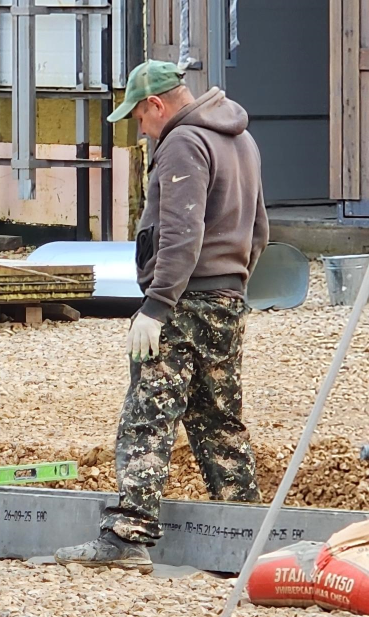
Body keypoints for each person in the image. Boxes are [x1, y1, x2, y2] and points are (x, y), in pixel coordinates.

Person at [54, 60, 269, 572]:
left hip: (183, 301)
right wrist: (233, 286)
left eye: (140, 118)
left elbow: (180, 232)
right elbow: (259, 228)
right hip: (226, 299)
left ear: (156, 104)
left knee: (148, 415)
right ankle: (247, 534)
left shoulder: (182, 142)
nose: (141, 129)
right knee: (219, 419)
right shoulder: (241, 139)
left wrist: (157, 305)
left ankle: (127, 533)